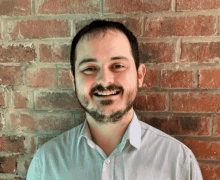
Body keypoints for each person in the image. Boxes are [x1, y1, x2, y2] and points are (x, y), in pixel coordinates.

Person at [26, 20, 203, 180]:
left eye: (117, 66)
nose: (105, 81)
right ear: (73, 80)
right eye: (89, 68)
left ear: (140, 75)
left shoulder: (178, 161)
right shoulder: (46, 163)